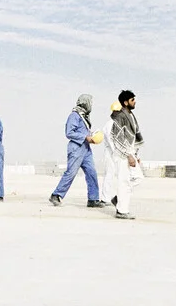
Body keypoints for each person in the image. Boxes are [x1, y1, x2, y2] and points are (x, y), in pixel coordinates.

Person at [49, 94, 106, 207]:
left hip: (86, 149)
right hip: (76, 148)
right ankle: (56, 195)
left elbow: (83, 132)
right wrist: (85, 137)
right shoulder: (74, 115)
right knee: (71, 173)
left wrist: (92, 136)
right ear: (85, 103)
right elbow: (69, 132)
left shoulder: (84, 116)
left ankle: (93, 199)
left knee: (91, 173)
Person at [110, 89, 144, 220]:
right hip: (122, 154)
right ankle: (122, 210)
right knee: (124, 181)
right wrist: (128, 155)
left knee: (138, 178)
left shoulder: (131, 116)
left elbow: (133, 138)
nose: (135, 102)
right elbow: (117, 138)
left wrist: (135, 154)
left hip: (130, 153)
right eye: (132, 100)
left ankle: (118, 199)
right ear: (125, 102)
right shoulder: (120, 117)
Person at [99, 100, 122, 205]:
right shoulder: (110, 124)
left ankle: (111, 197)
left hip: (117, 153)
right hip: (111, 153)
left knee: (116, 175)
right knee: (109, 174)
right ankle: (104, 199)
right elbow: (110, 139)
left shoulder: (118, 124)